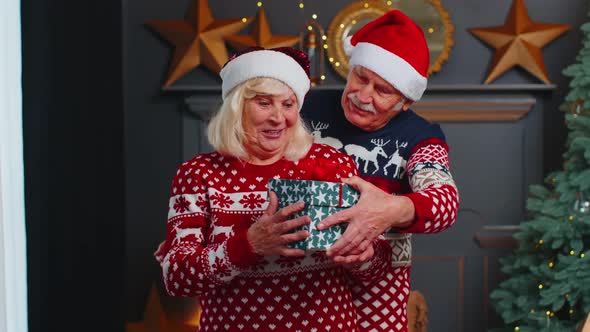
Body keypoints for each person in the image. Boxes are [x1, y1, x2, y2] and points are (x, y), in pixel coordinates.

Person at [153, 46, 393, 331]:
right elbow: (177, 278)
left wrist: (362, 255)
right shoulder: (199, 174)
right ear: (237, 107)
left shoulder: (331, 162)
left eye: (288, 104)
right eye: (264, 103)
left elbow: (378, 269)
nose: (279, 118)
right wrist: (249, 245)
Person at [301, 10, 460, 332]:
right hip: (297, 275)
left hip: (376, 290)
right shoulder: (304, 107)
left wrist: (392, 209)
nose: (363, 96)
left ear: (405, 101)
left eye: (382, 90)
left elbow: (444, 202)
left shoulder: (420, 136)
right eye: (361, 78)